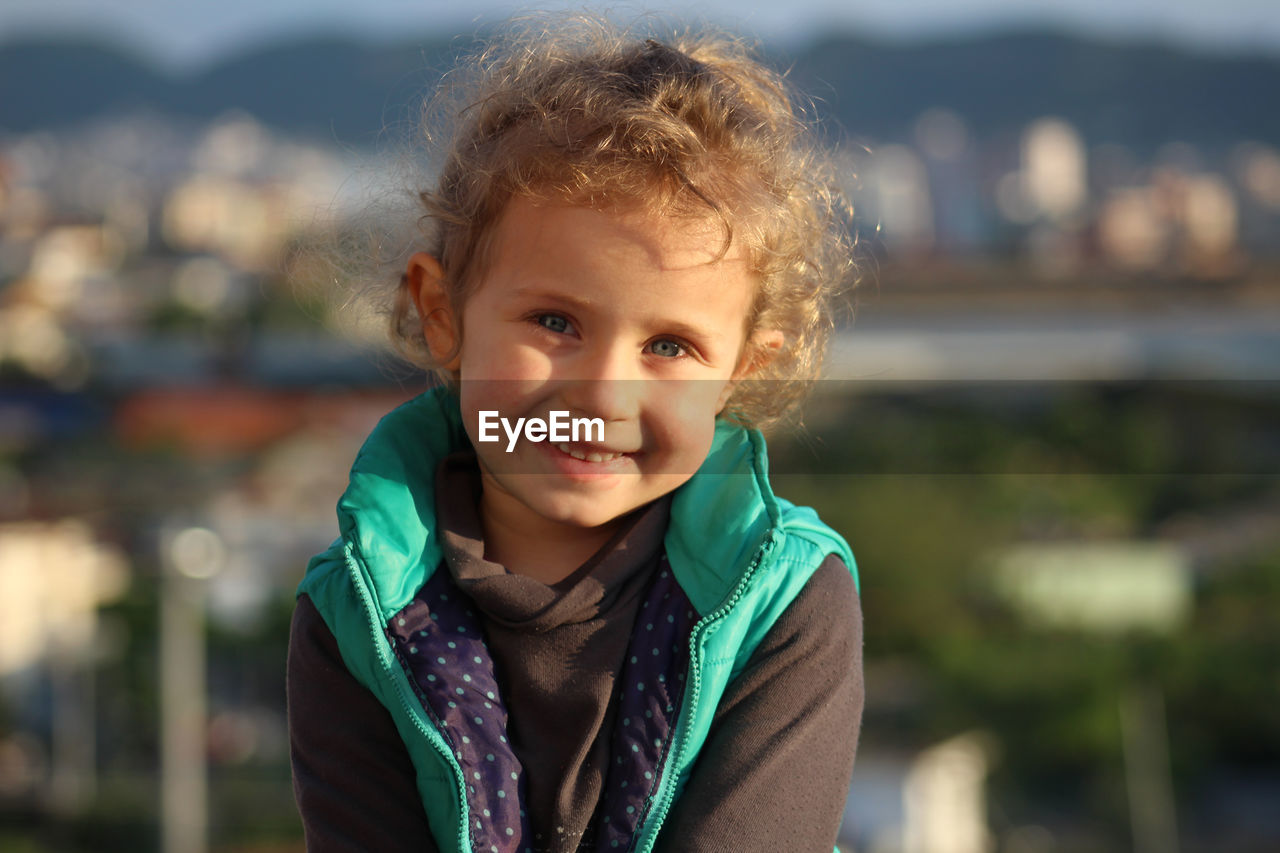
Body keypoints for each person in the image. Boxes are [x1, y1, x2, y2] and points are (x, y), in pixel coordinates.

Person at [287, 15, 864, 853]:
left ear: (742, 371)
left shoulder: (783, 598)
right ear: (443, 313)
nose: (602, 393)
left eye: (670, 346)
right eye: (555, 321)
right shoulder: (354, 616)